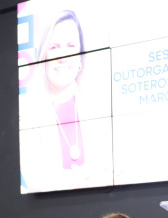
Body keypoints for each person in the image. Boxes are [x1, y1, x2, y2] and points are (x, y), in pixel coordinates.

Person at [19, 10, 113, 193]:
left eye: (71, 45)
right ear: (43, 57)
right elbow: (36, 181)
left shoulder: (101, 106)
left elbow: (113, 172)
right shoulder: (27, 112)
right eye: (54, 47)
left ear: (81, 55)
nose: (62, 56)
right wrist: (84, 178)